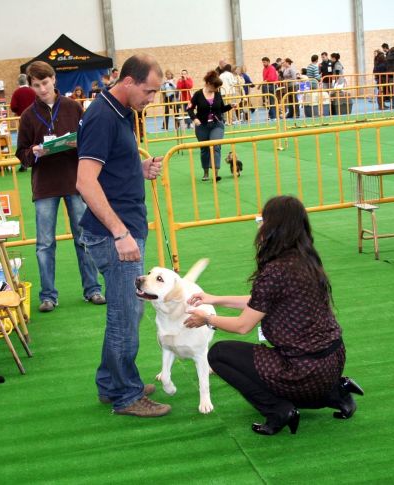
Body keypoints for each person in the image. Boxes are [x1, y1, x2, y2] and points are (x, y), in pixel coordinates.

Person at [184, 195, 363, 435]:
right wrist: (214, 299)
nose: (259, 225)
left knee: (219, 354)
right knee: (290, 372)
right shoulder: (306, 258)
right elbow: (262, 302)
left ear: (275, 227)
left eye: (262, 219)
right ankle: (336, 393)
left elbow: (242, 325)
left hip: (302, 367)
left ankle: (279, 410)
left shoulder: (276, 270)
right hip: (333, 360)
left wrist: (207, 319)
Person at [76, 53, 168, 417]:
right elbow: (85, 181)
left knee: (124, 312)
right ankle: (127, 396)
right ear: (127, 81)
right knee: (126, 315)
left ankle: (111, 383)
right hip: (114, 234)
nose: (152, 98)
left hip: (123, 226)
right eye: (149, 90)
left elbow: (109, 165)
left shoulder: (120, 112)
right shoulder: (101, 115)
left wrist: (138, 167)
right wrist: (119, 233)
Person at [16, 60, 105, 312]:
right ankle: (47, 296)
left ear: (54, 80)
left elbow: (90, 140)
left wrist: (78, 144)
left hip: (75, 182)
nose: (42, 89)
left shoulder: (74, 107)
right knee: (44, 243)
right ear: (31, 86)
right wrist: (33, 152)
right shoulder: (26, 116)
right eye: (36, 85)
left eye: (45, 83)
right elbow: (20, 153)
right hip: (44, 185)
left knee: (84, 238)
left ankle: (93, 289)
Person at [187, 70, 235, 182]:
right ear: (208, 83)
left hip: (217, 124)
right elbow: (189, 108)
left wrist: (230, 106)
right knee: (204, 149)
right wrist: (195, 119)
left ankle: (215, 173)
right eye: (215, 87)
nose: (217, 89)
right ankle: (206, 172)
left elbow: (221, 108)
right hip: (202, 126)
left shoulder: (217, 94)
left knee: (215, 146)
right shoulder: (198, 94)